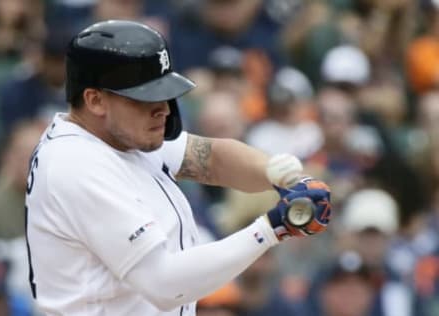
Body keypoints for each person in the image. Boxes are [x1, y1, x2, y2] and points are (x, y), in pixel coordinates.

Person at [25, 20, 332, 315]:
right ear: (95, 100)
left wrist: (283, 177)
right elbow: (164, 284)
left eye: (164, 94)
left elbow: (211, 158)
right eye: (144, 98)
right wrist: (273, 228)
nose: (163, 109)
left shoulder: (118, 135)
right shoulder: (76, 166)